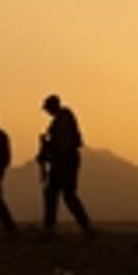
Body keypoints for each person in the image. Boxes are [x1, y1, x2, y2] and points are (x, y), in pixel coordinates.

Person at [37, 94, 94, 238]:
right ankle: (49, 227)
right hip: (59, 162)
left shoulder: (65, 118)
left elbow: (65, 143)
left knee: (68, 195)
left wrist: (49, 150)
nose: (47, 111)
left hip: (66, 161)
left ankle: (86, 226)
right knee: (51, 194)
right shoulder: (58, 121)